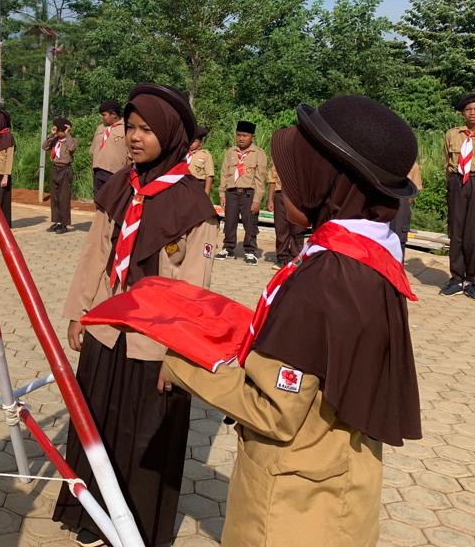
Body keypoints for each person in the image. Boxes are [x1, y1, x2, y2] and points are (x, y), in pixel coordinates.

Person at [159, 95, 422, 547]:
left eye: (300, 168)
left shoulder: (326, 279)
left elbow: (275, 410)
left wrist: (178, 363)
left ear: (332, 182)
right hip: (338, 488)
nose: (286, 185)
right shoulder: (370, 260)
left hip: (289, 508)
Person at [55, 84, 217, 547]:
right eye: (130, 127)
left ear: (168, 133)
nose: (134, 137)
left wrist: (177, 354)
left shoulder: (191, 203)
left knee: (144, 434)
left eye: (146, 129)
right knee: (98, 421)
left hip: (154, 341)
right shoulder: (123, 187)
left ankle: (138, 526)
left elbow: (193, 288)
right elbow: (96, 254)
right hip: (108, 329)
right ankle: (91, 515)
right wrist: (79, 313)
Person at [442, 93, 475, 301]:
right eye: (468, 109)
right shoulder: (452, 135)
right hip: (457, 182)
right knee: (456, 231)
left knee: (474, 235)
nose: (472, 113)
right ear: (463, 112)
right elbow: (446, 161)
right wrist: (452, 185)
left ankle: (471, 280)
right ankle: (455, 278)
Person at [217, 120, 267, 265]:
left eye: (245, 135)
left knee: (250, 222)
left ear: (252, 137)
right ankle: (228, 247)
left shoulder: (258, 154)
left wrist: (257, 200)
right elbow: (224, 173)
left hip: (248, 194)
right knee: (230, 221)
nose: (241, 138)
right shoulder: (231, 152)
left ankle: (250, 251)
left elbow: (260, 179)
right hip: (231, 192)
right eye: (239, 135)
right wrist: (221, 193)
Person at [266, 159, 304, 268]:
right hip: (280, 194)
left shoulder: (304, 155)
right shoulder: (279, 155)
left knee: (298, 229)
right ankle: (281, 258)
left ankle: (296, 259)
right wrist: (270, 199)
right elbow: (272, 179)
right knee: (281, 228)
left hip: (299, 195)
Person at [89, 99, 130, 199]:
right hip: (98, 172)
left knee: (113, 203)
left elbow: (131, 153)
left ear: (114, 114)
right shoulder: (100, 128)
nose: (102, 118)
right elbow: (93, 150)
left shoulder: (127, 128)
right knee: (99, 203)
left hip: (116, 174)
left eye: (104, 115)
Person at [43, 117, 77, 234]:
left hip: (65, 170)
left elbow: (72, 148)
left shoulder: (71, 140)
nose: (59, 133)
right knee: (55, 197)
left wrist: (68, 135)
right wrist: (51, 135)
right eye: (58, 130)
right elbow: (44, 147)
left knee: (64, 198)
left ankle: (64, 223)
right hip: (55, 169)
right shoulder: (55, 140)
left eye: (61, 131)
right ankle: (56, 221)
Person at [390, 162, 422, 256]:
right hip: (387, 204)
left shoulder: (413, 165)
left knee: (399, 241)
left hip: (402, 205)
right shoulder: (383, 161)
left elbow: (412, 195)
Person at [186, 126, 215, 196]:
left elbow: (209, 175)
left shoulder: (205, 155)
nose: (191, 143)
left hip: (198, 185)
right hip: (184, 185)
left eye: (195, 141)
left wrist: (207, 192)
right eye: (190, 140)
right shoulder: (183, 153)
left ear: (200, 142)